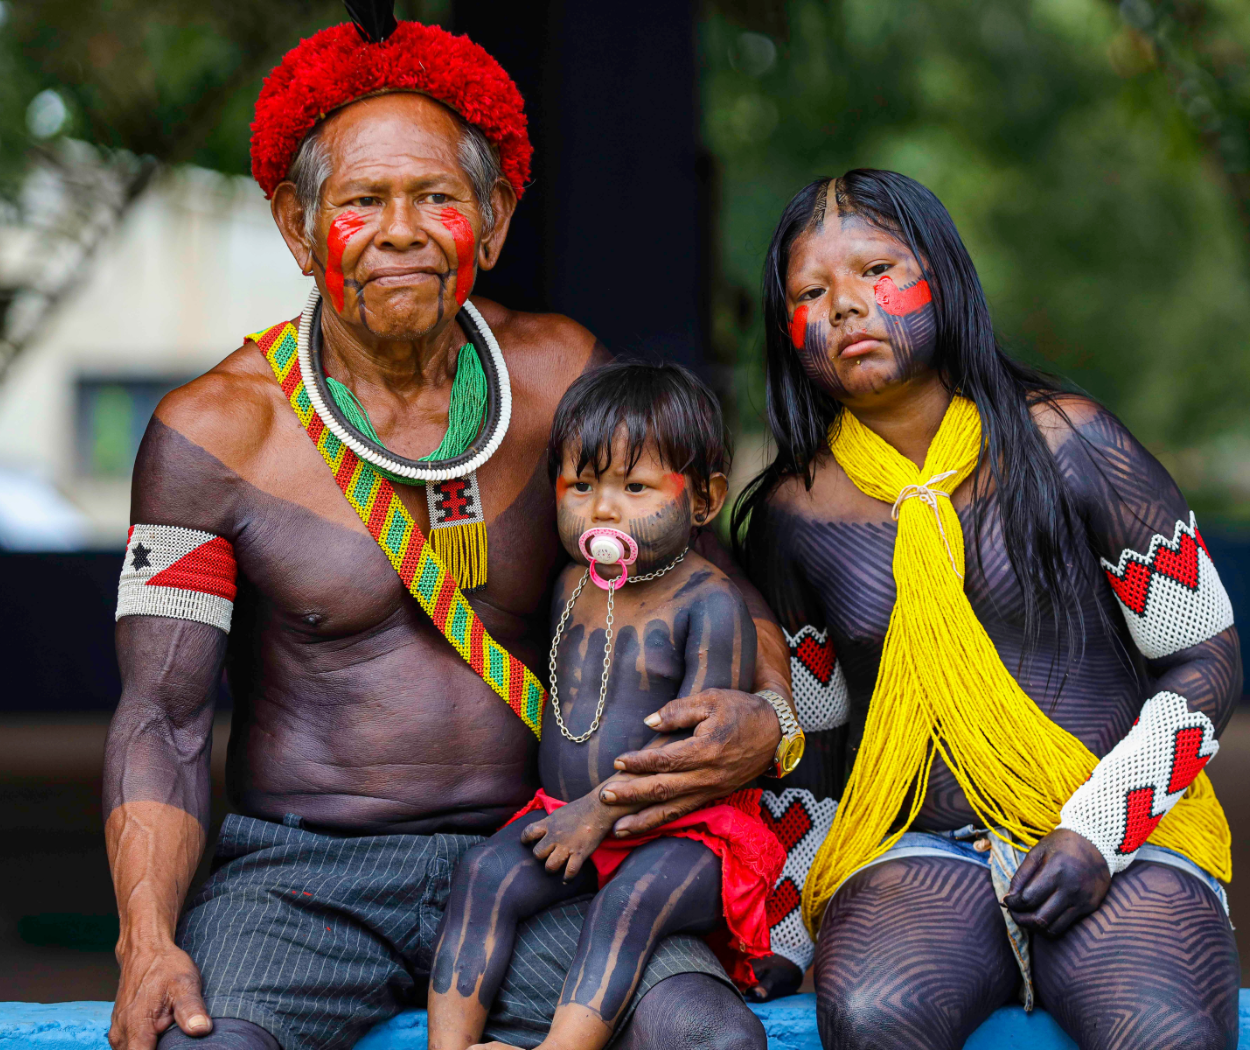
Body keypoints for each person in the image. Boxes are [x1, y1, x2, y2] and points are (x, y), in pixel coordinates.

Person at [103, 9, 799, 1050]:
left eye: (436, 198)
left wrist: (769, 720)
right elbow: (161, 718)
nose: (400, 231)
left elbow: (716, 589)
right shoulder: (214, 436)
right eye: (360, 202)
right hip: (300, 879)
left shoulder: (562, 377)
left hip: (548, 850)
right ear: (298, 229)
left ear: (497, 218)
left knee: (706, 1038)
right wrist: (146, 940)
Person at [735, 169, 1240, 1049]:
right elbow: (813, 754)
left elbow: (1209, 660)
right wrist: (777, 936)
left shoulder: (1073, 444)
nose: (845, 307)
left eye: (876, 271)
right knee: (870, 1014)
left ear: (946, 277)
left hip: (1120, 835)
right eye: (811, 293)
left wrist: (1098, 830)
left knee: (1164, 1030)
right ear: (787, 330)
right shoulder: (794, 517)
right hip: (915, 853)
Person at [427, 363, 788, 1050]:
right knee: (482, 875)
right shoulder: (569, 584)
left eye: (636, 487)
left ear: (705, 499)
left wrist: (599, 811)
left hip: (685, 832)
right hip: (567, 818)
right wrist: (578, 817)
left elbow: (696, 757)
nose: (601, 510)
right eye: (582, 486)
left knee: (629, 904)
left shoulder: (710, 603)